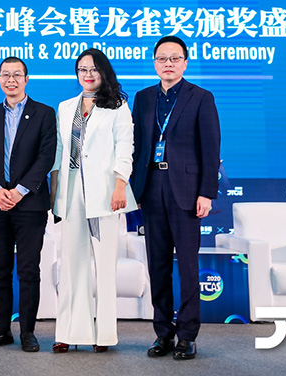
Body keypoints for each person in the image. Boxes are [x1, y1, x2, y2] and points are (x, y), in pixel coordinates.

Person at [130, 36, 221, 360]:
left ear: (185, 62)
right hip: (152, 187)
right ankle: (163, 333)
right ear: (154, 62)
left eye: (174, 58)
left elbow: (211, 149)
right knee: (157, 265)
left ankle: (187, 335)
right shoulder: (143, 98)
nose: (168, 64)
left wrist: (206, 193)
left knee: (188, 267)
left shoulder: (201, 97)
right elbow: (137, 146)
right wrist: (136, 189)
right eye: (162, 58)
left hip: (187, 191)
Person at [51, 48, 135, 353]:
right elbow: (59, 152)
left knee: (104, 266)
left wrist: (120, 185)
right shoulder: (65, 107)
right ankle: (68, 332)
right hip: (71, 191)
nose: (88, 74)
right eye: (82, 69)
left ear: (103, 72)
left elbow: (125, 147)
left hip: (106, 193)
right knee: (71, 265)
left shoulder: (118, 106)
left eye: (93, 69)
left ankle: (105, 335)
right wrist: (55, 195)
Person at [0, 57, 57, 353]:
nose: (11, 80)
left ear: (26, 79)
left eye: (17, 75)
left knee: (28, 270)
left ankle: (28, 332)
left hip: (30, 204)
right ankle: (1, 330)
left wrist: (20, 191)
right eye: (5, 75)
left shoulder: (44, 113)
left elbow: (46, 156)